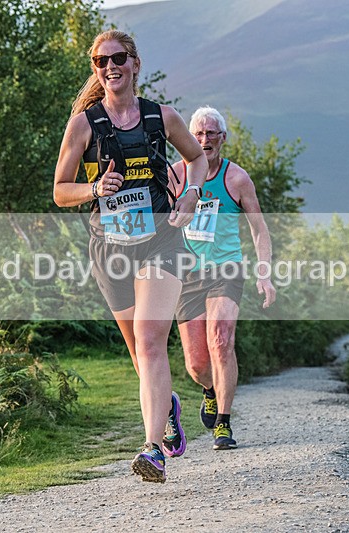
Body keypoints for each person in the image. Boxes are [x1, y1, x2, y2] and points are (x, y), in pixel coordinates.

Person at [54, 30, 208, 482]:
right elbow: (60, 191)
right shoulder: (84, 124)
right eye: (101, 62)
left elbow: (196, 159)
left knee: (150, 339)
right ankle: (169, 405)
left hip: (161, 239)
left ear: (135, 63)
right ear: (95, 70)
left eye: (118, 58)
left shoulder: (163, 117)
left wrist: (193, 194)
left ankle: (151, 449)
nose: (110, 67)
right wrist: (93, 189)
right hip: (110, 247)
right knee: (139, 354)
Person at [170, 106, 276, 450]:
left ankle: (223, 424)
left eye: (211, 134)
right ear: (188, 138)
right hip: (187, 275)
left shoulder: (237, 179)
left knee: (220, 339)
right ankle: (210, 390)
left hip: (226, 269)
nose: (204, 140)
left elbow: (259, 230)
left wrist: (264, 272)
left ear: (223, 139)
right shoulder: (175, 176)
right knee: (197, 363)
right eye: (197, 134)